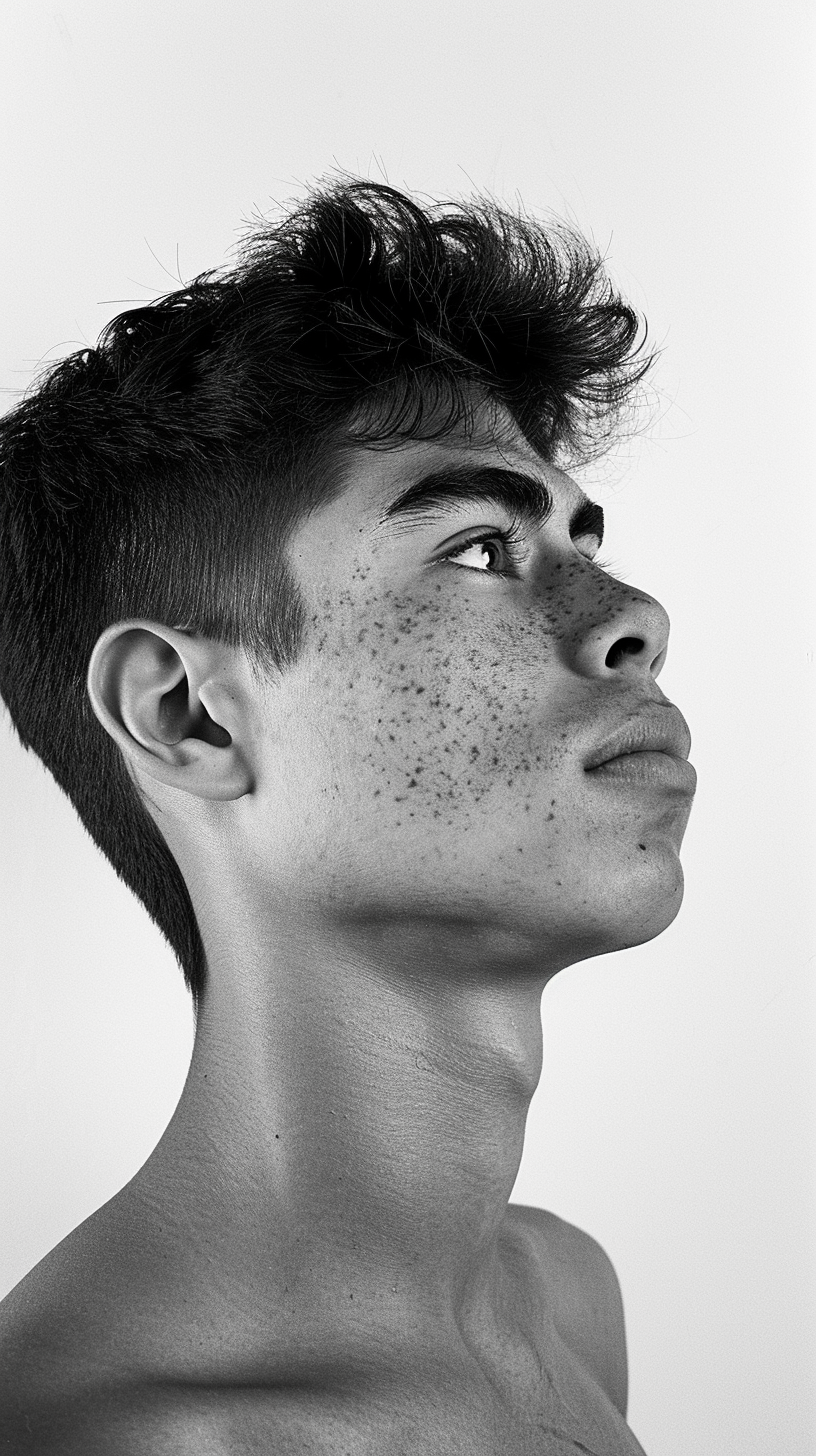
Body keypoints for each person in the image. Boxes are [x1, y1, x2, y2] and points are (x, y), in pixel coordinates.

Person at [0, 178, 695, 1454]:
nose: (631, 613)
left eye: (586, 542)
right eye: (482, 546)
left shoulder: (569, 1306)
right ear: (187, 716)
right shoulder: (95, 1439)